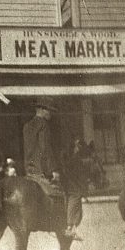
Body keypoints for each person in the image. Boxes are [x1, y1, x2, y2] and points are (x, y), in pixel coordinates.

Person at [23, 102, 79, 240]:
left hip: (30, 170)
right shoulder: (43, 125)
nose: (51, 113)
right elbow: (45, 149)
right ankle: (68, 227)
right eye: (49, 110)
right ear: (41, 109)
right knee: (74, 192)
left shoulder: (27, 126)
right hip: (42, 170)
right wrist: (53, 169)